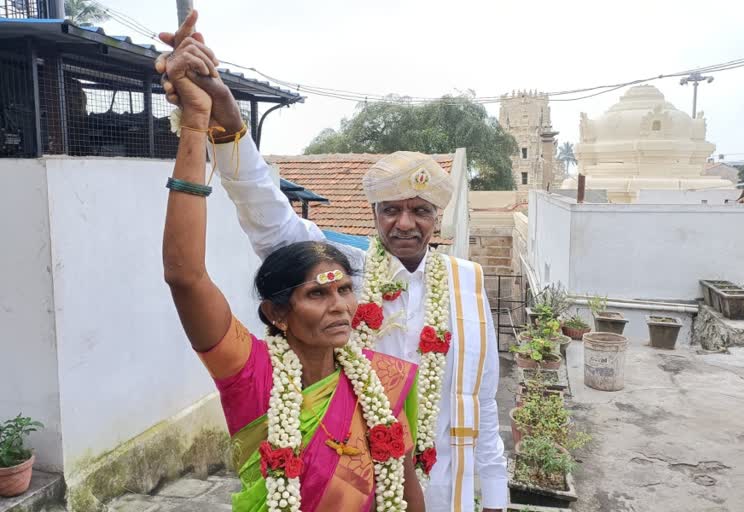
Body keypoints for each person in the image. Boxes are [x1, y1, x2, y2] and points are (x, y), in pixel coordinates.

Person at [157, 13, 507, 511]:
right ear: (375, 215)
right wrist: (226, 130)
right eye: (392, 210)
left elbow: (484, 404)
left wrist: (494, 497)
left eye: (420, 211)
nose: (405, 224)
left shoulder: (467, 287)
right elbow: (269, 218)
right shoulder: (350, 270)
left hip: (444, 482)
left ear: (438, 219)